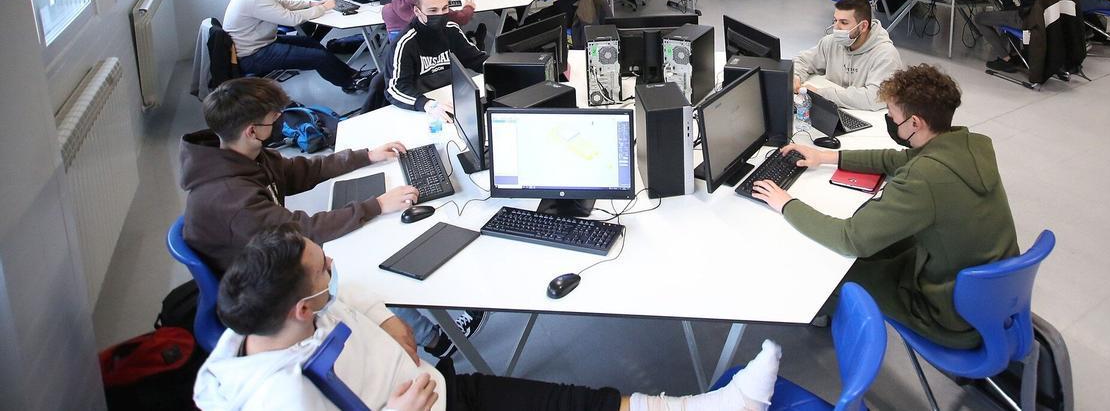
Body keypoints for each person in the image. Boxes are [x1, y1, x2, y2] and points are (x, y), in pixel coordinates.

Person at [194, 223, 784, 411]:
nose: (333, 266)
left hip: (441, 390)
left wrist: (394, 322)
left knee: (574, 402)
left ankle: (704, 408)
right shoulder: (278, 398)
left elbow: (352, 299)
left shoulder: (285, 317)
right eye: (324, 267)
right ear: (302, 307)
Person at [181, 78, 478, 359]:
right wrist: (376, 205)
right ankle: (437, 340)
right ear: (251, 130)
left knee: (358, 248)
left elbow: (301, 171)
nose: (280, 123)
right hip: (258, 289)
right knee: (356, 269)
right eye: (274, 119)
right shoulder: (232, 200)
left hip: (263, 254)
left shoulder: (243, 154)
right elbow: (303, 229)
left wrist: (366, 156)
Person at [751, 64, 1019, 350]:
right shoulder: (968, 145)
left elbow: (850, 239)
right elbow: (897, 160)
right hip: (991, 295)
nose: (889, 118)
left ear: (915, 123)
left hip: (950, 316)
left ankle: (825, 319)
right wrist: (828, 156)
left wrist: (786, 203)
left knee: (830, 271)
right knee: (878, 248)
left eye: (892, 114)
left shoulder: (925, 178)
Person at [223, 0, 371, 92]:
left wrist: (310, 4)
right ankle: (350, 83)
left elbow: (278, 3)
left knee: (311, 43)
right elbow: (291, 19)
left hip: (261, 43)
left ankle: (351, 75)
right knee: (320, 58)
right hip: (254, 54)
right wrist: (323, 8)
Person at [386, 0, 488, 121]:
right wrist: (426, 104)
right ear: (417, 11)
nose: (441, 15)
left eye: (445, 8)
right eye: (433, 11)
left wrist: (504, 69)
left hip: (452, 99)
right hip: (423, 108)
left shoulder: (451, 29)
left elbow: (476, 60)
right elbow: (395, 89)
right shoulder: (405, 42)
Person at [791, 0, 903, 111]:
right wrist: (795, 76)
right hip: (833, 111)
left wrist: (823, 94)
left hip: (867, 116)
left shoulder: (886, 55)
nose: (836, 28)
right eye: (835, 20)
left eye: (844, 23)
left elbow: (875, 97)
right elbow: (803, 60)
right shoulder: (831, 42)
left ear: (863, 26)